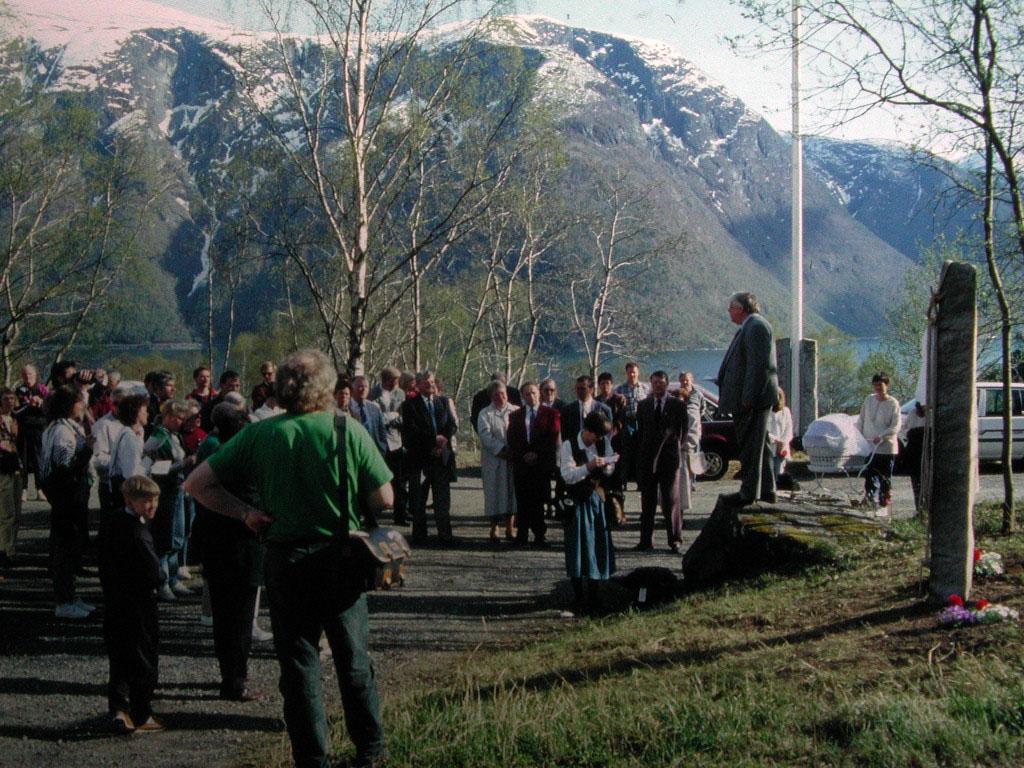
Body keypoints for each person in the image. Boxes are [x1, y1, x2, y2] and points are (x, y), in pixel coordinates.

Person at [185, 349, 393, 768]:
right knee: (352, 661)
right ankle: (370, 751)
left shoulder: (261, 434)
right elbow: (384, 498)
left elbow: (197, 484)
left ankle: (312, 757)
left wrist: (245, 513)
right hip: (339, 558)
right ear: (326, 386)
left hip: (284, 560)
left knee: (298, 667)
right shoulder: (345, 429)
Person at [192, 403, 264, 702]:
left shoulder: (210, 454)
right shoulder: (243, 462)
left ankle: (230, 675)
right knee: (242, 617)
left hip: (213, 542)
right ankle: (236, 680)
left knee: (223, 617)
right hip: (241, 545)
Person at [99, 475, 164, 734]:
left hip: (114, 600)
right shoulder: (138, 532)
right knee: (143, 659)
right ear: (130, 500)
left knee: (119, 658)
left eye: (155, 500)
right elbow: (154, 573)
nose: (152, 505)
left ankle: (118, 708)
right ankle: (141, 712)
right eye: (146, 500)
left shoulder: (113, 521)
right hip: (138, 604)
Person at [715, 291, 779, 506]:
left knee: (751, 446)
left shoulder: (756, 326)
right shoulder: (749, 327)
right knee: (761, 446)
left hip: (752, 401)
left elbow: (758, 366)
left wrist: (748, 397)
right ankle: (768, 490)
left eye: (731, 307)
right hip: (749, 399)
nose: (729, 311)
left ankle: (749, 493)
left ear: (741, 308)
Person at [38, 386, 94, 619]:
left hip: (69, 495)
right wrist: (87, 451)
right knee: (65, 548)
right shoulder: (61, 431)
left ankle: (70, 595)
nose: (82, 405)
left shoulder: (63, 427)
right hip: (66, 496)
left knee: (70, 546)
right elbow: (65, 466)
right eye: (79, 402)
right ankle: (64, 600)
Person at [559, 411, 617, 616]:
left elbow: (611, 466)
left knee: (597, 545)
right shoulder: (569, 445)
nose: (599, 440)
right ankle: (578, 595)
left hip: (596, 499)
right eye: (597, 436)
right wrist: (589, 467)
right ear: (588, 430)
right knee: (578, 546)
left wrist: (607, 466)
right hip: (577, 501)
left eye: (602, 437)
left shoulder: (602, 444)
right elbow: (567, 475)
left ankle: (594, 594)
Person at [143, 399, 196, 601]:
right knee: (165, 535)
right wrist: (182, 463)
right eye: (180, 418)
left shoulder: (173, 436)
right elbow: (153, 466)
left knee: (178, 535)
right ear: (170, 417)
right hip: (165, 491)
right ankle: (162, 581)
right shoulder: (157, 436)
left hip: (177, 488)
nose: (182, 422)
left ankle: (173, 578)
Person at [401, 370, 457, 544]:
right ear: (418, 385)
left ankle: (445, 535)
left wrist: (442, 442)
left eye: (432, 381)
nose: (430, 385)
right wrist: (433, 440)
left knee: (442, 499)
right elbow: (411, 431)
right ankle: (419, 536)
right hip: (420, 458)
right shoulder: (410, 405)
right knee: (419, 500)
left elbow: (451, 425)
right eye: (426, 382)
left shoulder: (443, 402)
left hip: (441, 458)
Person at [635, 371, 685, 552]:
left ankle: (675, 539)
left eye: (661, 383)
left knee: (671, 501)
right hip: (648, 459)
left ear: (666, 384)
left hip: (669, 459)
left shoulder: (677, 405)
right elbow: (641, 433)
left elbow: (682, 432)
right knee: (647, 502)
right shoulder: (643, 405)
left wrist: (674, 450)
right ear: (650, 384)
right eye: (654, 382)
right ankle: (646, 540)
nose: (657, 386)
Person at [506, 382, 560, 547]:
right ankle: (521, 535)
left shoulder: (551, 414)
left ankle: (539, 536)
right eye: (527, 394)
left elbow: (552, 438)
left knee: (538, 501)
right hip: (522, 464)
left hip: (541, 464)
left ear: (540, 394)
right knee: (522, 501)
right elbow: (512, 438)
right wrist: (524, 454)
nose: (531, 396)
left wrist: (537, 454)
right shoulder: (515, 415)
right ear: (522, 396)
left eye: (534, 393)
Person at [477, 380, 519, 543]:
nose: (500, 397)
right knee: (494, 494)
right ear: (491, 397)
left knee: (512, 493)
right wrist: (502, 450)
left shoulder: (516, 410)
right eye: (496, 395)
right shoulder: (485, 414)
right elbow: (485, 436)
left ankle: (510, 526)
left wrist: (514, 451)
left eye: (503, 394)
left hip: (513, 458)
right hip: (494, 459)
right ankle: (494, 527)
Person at [857, 372, 900, 509]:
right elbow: (862, 419)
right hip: (870, 446)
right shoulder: (869, 400)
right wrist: (858, 435)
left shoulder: (893, 403)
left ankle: (884, 499)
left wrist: (882, 436)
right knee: (870, 474)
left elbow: (896, 426)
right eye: (875, 385)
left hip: (886, 448)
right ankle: (869, 498)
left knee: (884, 477)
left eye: (880, 385)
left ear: (886, 386)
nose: (877, 388)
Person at [370, 366, 407, 525]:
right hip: (379, 441)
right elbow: (373, 416)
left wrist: (394, 419)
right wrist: (389, 417)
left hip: (396, 442)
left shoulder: (400, 394)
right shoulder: (373, 393)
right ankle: (374, 516)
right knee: (377, 479)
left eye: (397, 382)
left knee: (399, 482)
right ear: (384, 380)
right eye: (393, 381)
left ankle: (400, 516)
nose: (395, 385)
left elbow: (404, 416)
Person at [595, 372, 627, 526]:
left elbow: (621, 421)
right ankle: (605, 513)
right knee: (602, 481)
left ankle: (620, 513)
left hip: (616, 444)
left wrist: (610, 433)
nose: (605, 386)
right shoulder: (595, 402)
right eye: (602, 383)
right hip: (599, 445)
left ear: (612, 384)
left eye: (608, 383)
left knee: (617, 481)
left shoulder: (619, 400)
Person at [14, 364, 48, 499]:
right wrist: (28, 404)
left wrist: (40, 402)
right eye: (25, 374)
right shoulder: (19, 391)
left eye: (30, 374)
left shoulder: (42, 389)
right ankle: (24, 488)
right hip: (24, 428)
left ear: (35, 375)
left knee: (39, 459)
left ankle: (40, 488)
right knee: (23, 459)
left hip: (39, 428)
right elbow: (16, 411)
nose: (27, 377)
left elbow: (49, 408)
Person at [613, 361, 649, 489]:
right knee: (625, 453)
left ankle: (640, 482)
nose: (632, 374)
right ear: (626, 373)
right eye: (630, 372)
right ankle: (623, 482)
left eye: (634, 372)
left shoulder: (645, 389)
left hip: (641, 423)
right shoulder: (619, 389)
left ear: (638, 373)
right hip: (626, 422)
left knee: (640, 453)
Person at [676, 372, 703, 521]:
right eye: (682, 380)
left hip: (687, 445)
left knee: (687, 476)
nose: (685, 382)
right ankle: (675, 512)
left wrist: (688, 444)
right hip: (675, 449)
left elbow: (701, 411)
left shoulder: (697, 396)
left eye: (687, 380)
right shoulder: (675, 406)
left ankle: (681, 513)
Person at [0, 387, 22, 570]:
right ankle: (6, 550)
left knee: (16, 512)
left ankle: (11, 546)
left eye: (12, 398)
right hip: (2, 470)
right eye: (6, 399)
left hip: (15, 466)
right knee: (7, 513)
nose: (10, 402)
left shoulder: (14, 418)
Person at [560, 375, 612, 441]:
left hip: (597, 448)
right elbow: (565, 435)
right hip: (575, 448)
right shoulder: (567, 410)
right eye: (577, 388)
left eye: (583, 388)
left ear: (591, 390)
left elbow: (608, 434)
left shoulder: (604, 410)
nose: (579, 391)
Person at [349, 376, 388, 458]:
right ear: (352, 389)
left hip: (374, 455)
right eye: (360, 386)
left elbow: (382, 432)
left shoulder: (374, 408)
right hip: (353, 455)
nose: (363, 389)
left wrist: (382, 449)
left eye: (366, 387)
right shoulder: (346, 408)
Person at [768, 388, 795, 484]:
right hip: (769, 446)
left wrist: (783, 443)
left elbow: (789, 429)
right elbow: (764, 431)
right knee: (769, 472)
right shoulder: (766, 411)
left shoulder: (786, 411)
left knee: (779, 472)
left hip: (782, 448)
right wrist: (776, 440)